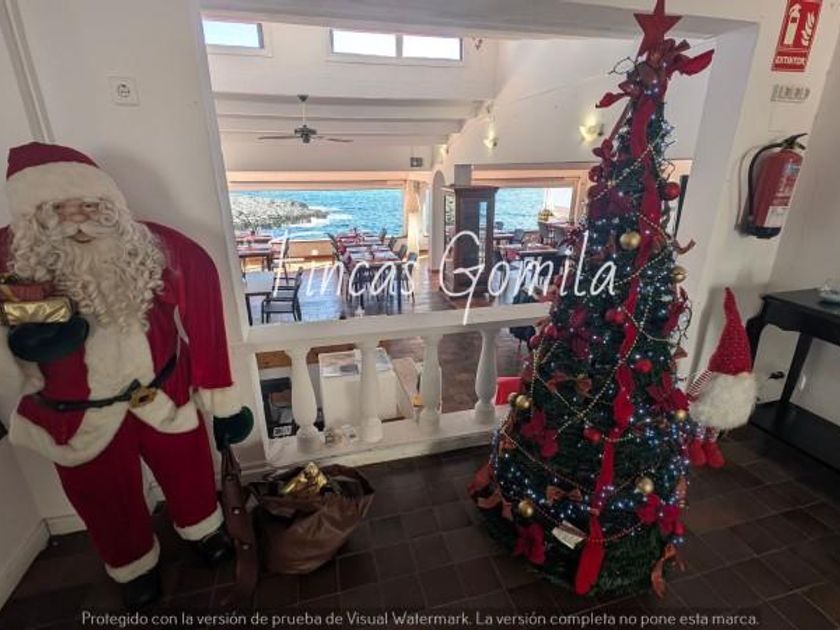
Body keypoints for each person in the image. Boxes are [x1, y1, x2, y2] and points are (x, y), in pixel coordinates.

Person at [0, 142, 252, 609]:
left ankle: (203, 530)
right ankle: (133, 565)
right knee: (102, 495)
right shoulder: (9, 259)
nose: (77, 220)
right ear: (34, 213)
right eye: (58, 209)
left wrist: (220, 395)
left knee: (190, 471)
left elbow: (202, 305)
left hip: (162, 394)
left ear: (109, 204)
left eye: (89, 206)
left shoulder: (156, 248)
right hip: (75, 415)